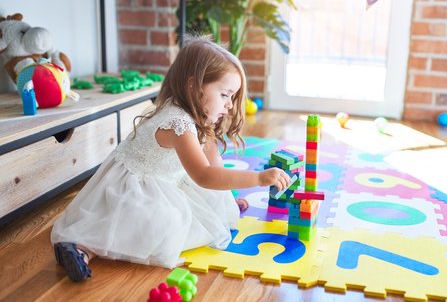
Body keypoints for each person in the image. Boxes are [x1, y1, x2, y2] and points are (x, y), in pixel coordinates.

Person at [51, 35, 291, 282]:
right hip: (133, 187)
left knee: (211, 204)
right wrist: (259, 178)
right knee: (161, 224)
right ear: (194, 86)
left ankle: (84, 247)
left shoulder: (200, 117)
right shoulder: (178, 122)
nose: (230, 105)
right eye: (225, 94)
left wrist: (228, 197)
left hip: (165, 180)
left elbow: (215, 167)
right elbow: (204, 175)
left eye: (232, 97)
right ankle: (81, 248)